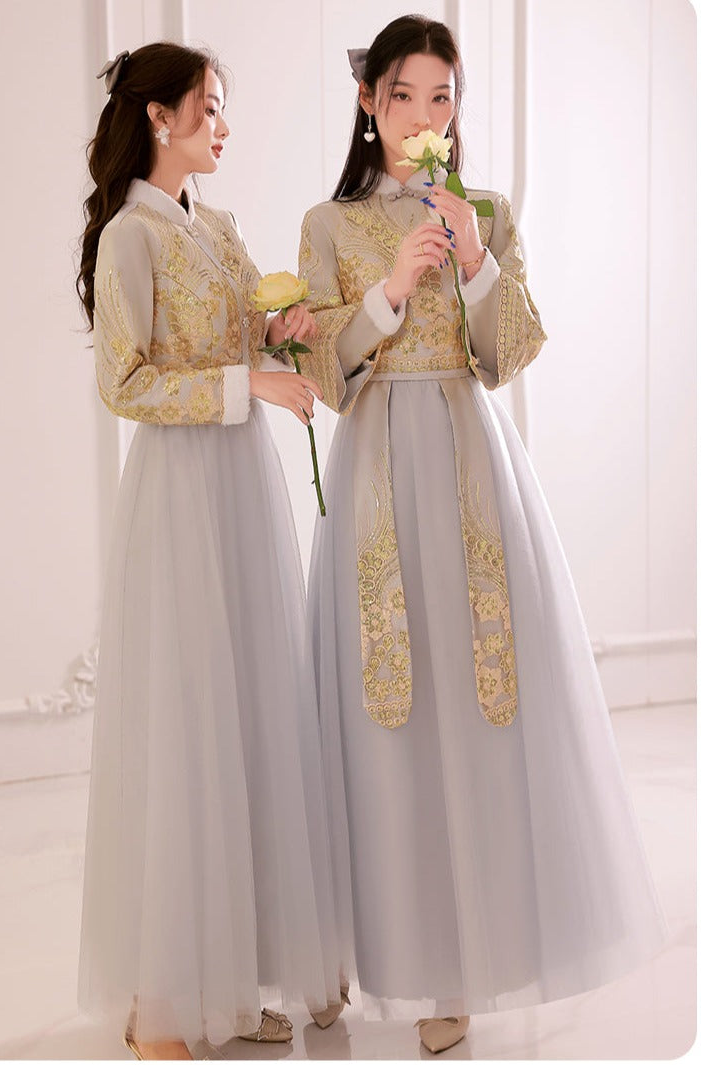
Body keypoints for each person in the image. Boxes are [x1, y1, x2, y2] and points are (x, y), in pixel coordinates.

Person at [297, 14, 668, 1054]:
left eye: (442, 97)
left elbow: (511, 353)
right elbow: (324, 376)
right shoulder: (329, 225)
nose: (425, 116)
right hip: (376, 475)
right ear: (369, 104)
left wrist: (470, 261)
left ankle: (453, 968)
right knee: (381, 708)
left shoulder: (486, 212)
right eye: (404, 96)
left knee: (473, 704)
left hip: (468, 466)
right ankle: (353, 950)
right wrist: (389, 290)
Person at [76, 41, 343, 1060]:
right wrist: (248, 384)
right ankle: (162, 997)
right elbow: (125, 383)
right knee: (186, 726)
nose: (224, 125)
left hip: (240, 486)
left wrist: (277, 339)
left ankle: (226, 983)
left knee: (244, 719)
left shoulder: (217, 226)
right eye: (210, 107)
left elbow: (237, 340)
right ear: (159, 116)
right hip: (181, 496)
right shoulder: (129, 237)